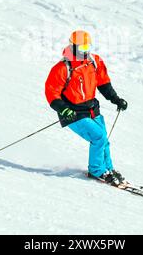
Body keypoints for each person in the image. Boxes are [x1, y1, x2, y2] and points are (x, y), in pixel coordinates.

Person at [45, 30, 128, 186]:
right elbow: (52, 92)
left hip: (91, 109)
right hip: (72, 112)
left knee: (104, 139)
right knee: (98, 137)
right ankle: (97, 170)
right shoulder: (63, 68)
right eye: (82, 48)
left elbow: (103, 83)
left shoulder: (94, 61)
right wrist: (63, 109)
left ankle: (108, 169)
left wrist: (115, 99)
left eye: (87, 46)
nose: (86, 51)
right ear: (73, 47)